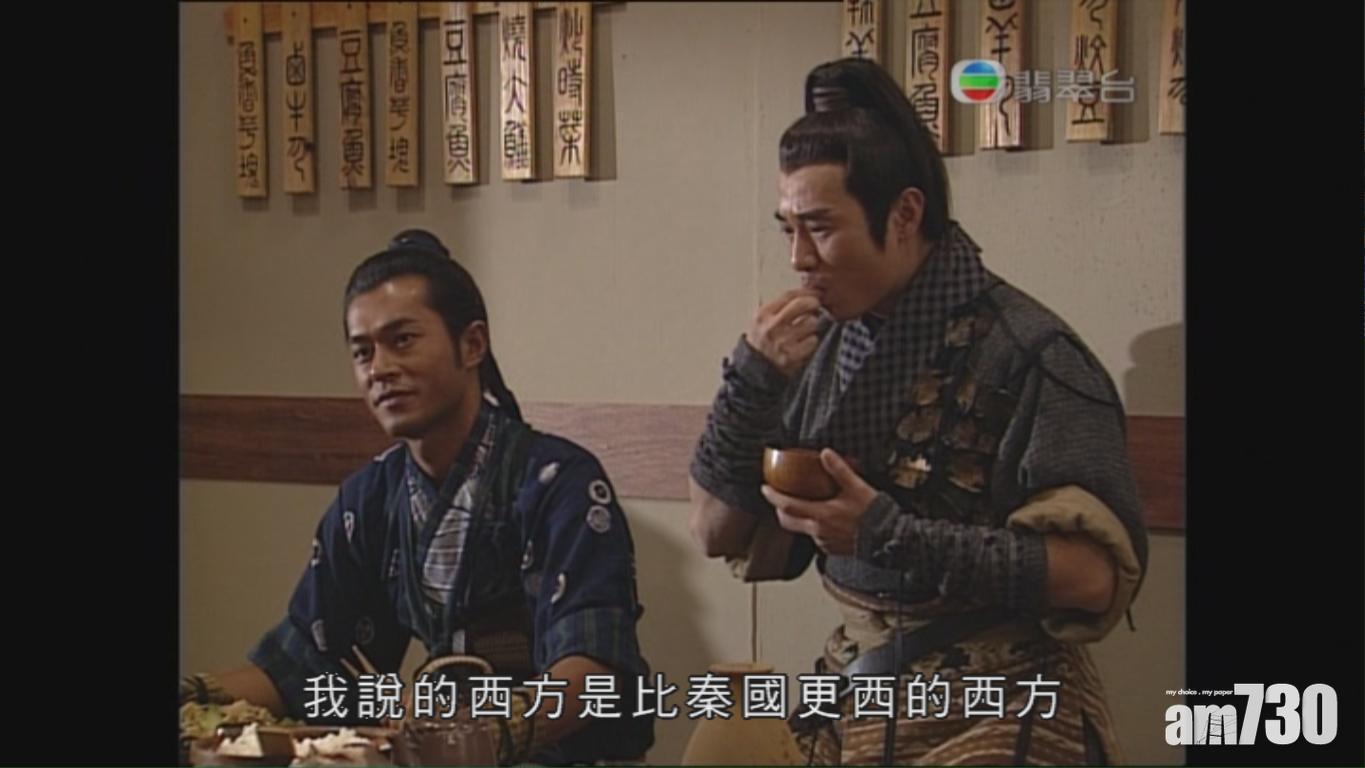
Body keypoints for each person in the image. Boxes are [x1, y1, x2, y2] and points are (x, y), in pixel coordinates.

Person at [688, 58, 1148, 765]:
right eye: (787, 230)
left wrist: (885, 534)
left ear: (904, 215)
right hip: (860, 685)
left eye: (820, 228)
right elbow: (714, 530)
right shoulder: (811, 346)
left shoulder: (1029, 351)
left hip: (1001, 697)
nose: (799, 259)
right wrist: (750, 380)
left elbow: (1092, 576)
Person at [181, 229, 654, 764]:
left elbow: (592, 666)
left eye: (402, 340)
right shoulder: (369, 498)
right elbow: (304, 664)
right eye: (363, 352)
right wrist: (195, 693)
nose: (379, 368)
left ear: (472, 345)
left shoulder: (557, 481)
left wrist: (483, 733)